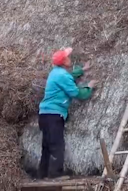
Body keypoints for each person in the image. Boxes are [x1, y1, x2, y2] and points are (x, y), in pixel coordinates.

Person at [37, 47, 98, 180]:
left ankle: (43, 174)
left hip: (44, 114)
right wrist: (90, 87)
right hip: (54, 115)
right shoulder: (62, 75)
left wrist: (82, 70)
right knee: (57, 144)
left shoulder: (56, 72)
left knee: (47, 145)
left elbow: (69, 77)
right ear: (64, 62)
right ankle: (55, 174)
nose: (69, 58)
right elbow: (78, 93)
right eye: (67, 57)